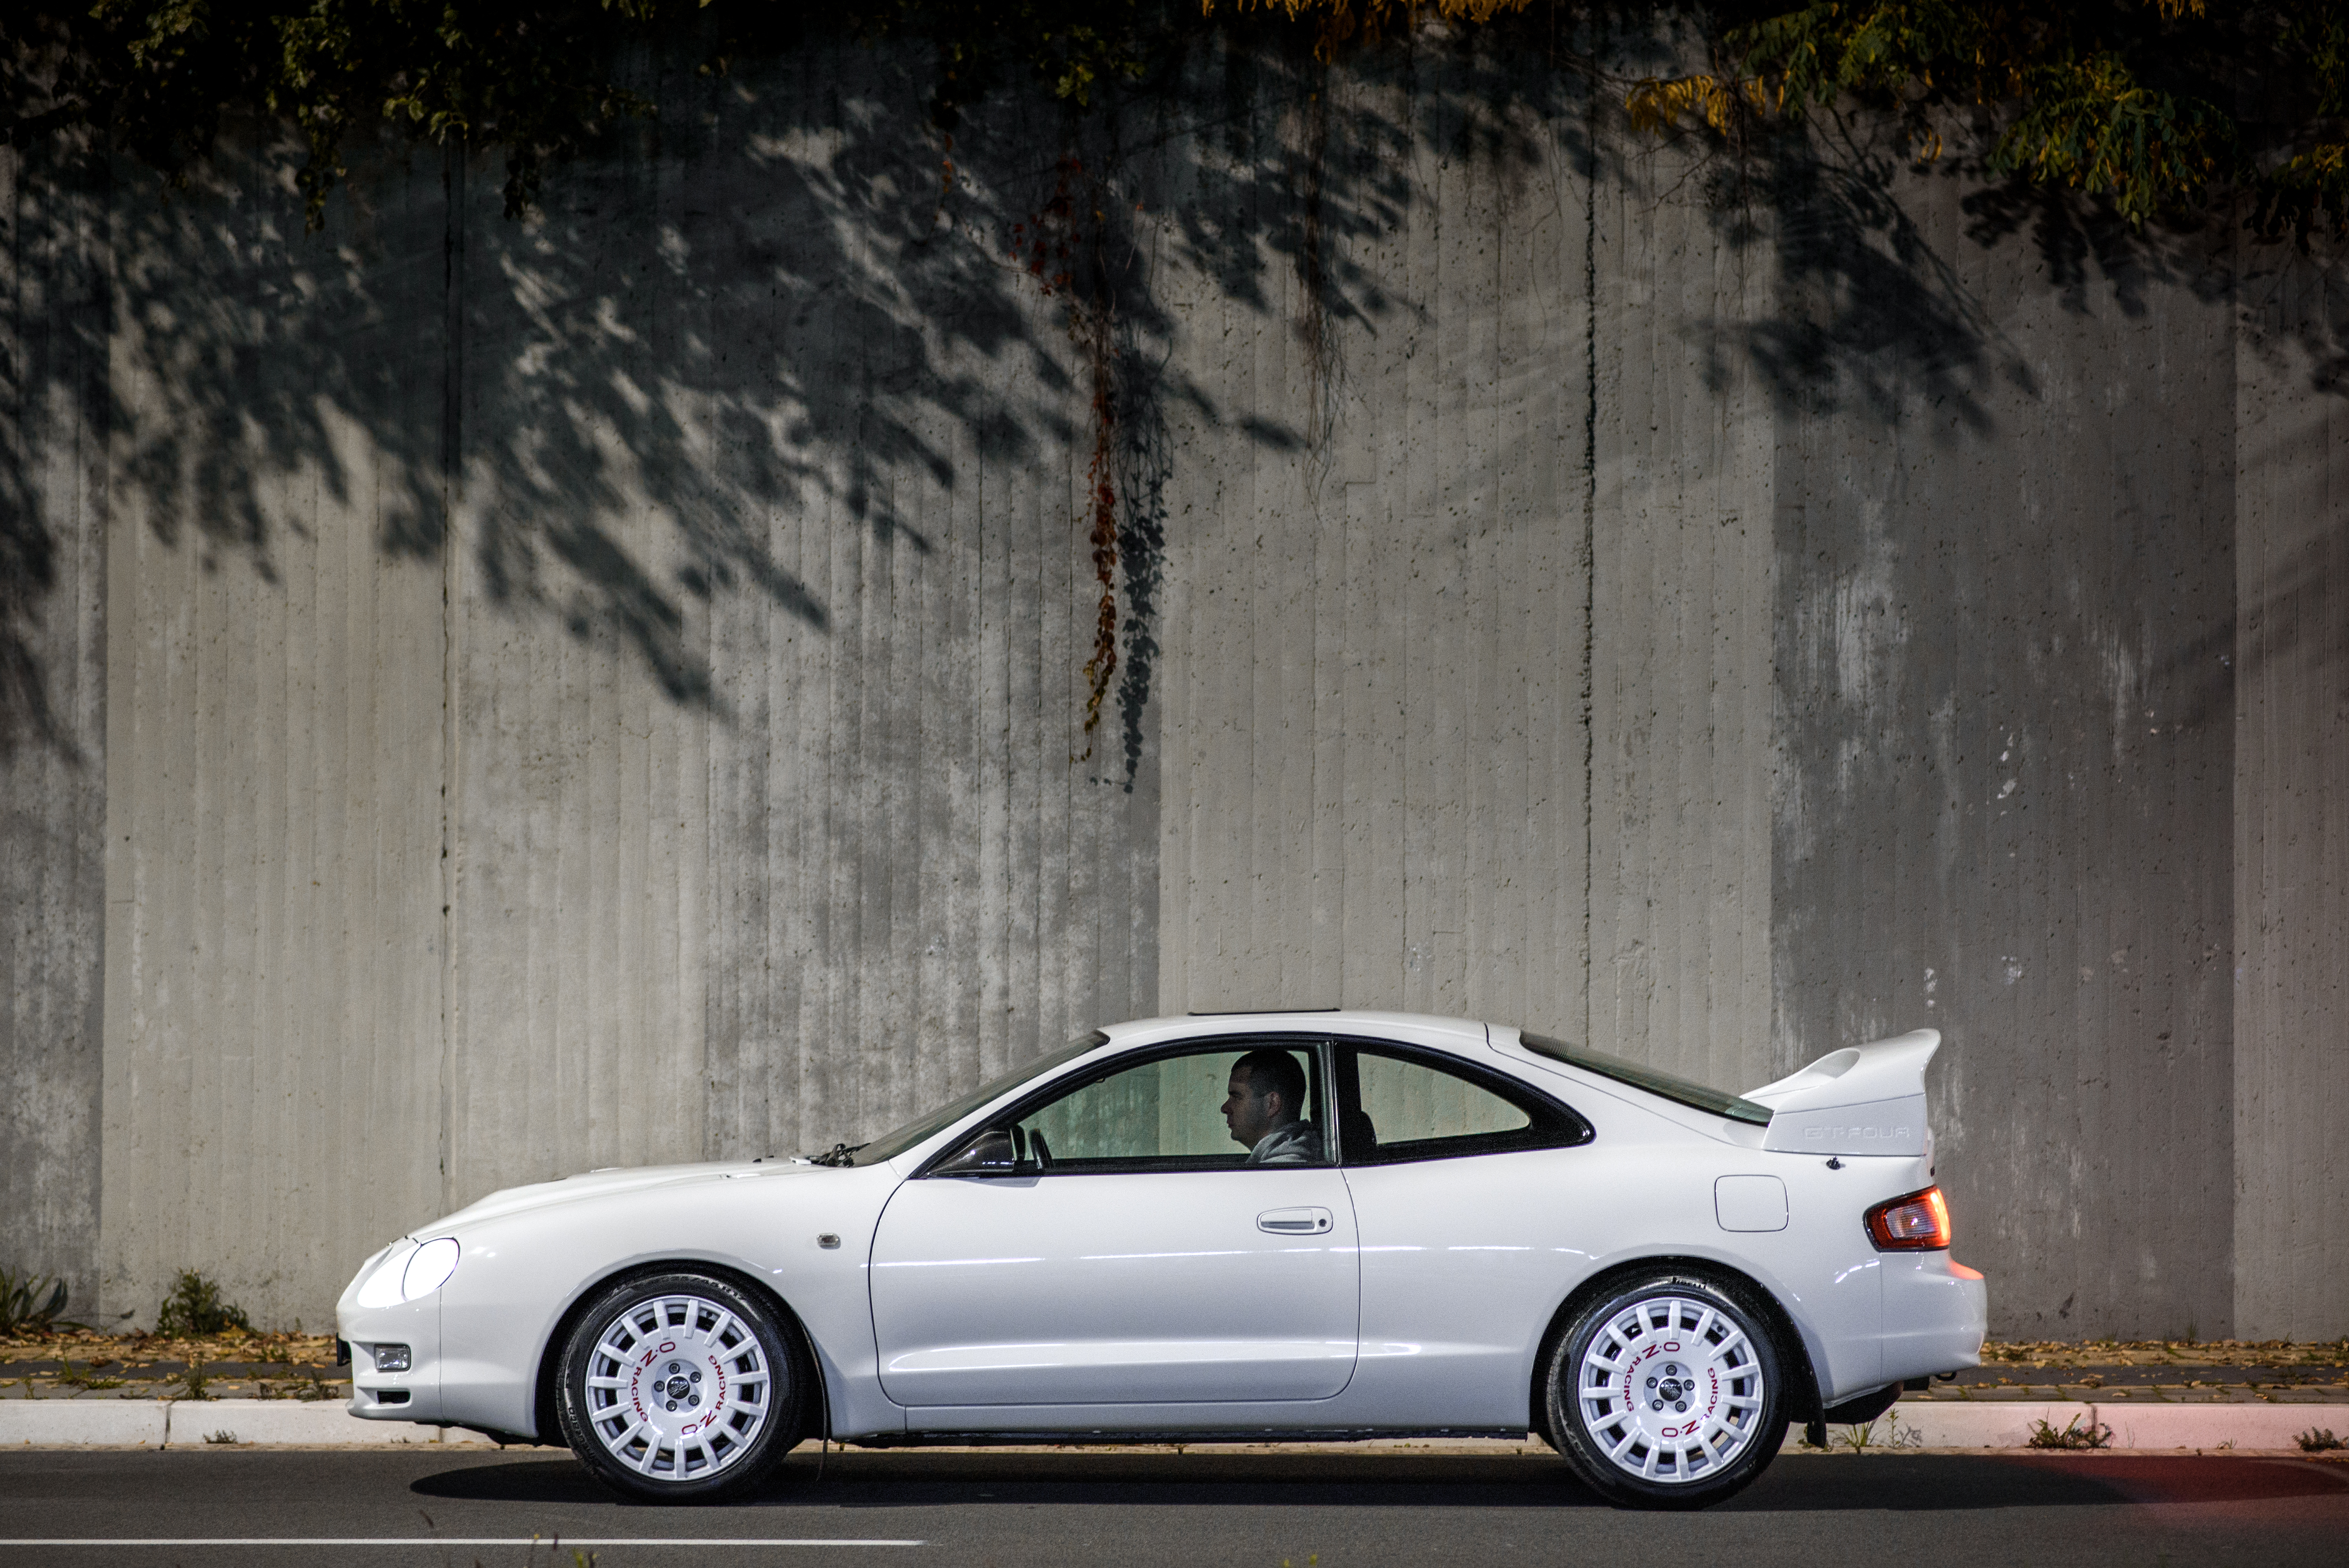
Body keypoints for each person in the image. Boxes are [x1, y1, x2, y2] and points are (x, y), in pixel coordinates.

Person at [1221, 1049, 1323, 1164]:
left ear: (1272, 1104)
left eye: (1236, 1097)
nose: (1224, 1108)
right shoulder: (1291, 1161)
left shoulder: (1280, 1171)